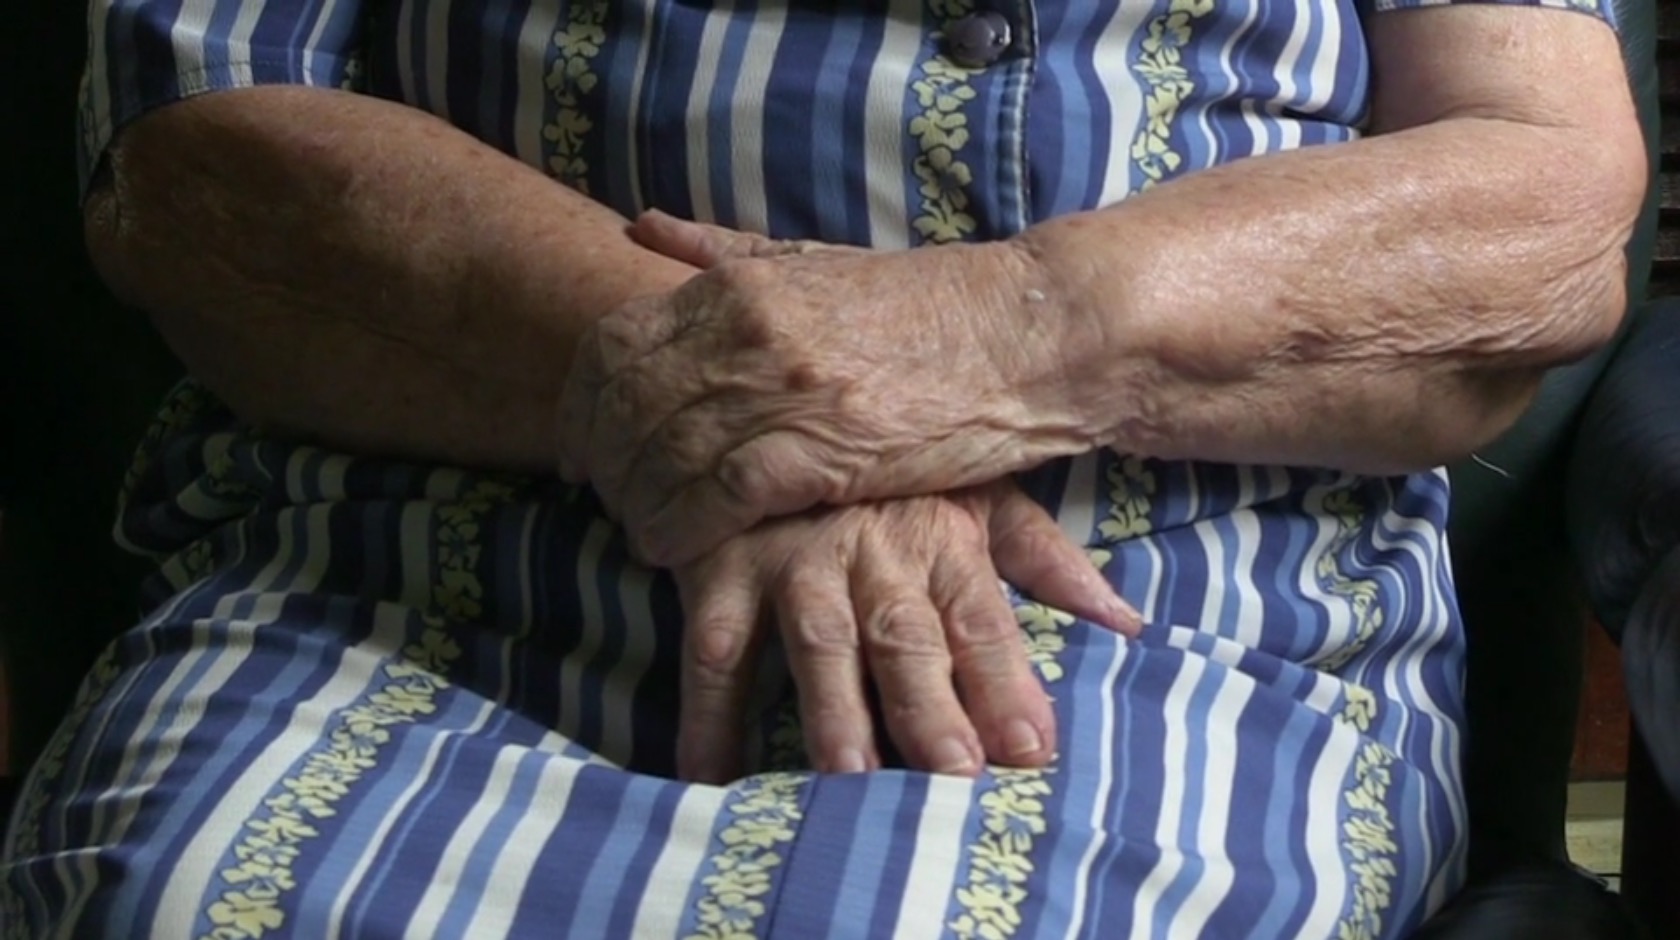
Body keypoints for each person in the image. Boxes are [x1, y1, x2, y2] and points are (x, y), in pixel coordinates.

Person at [0, 0, 1642, 934]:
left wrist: (966, 344)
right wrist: (708, 390)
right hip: (422, 548)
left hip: (1146, 577)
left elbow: (1540, 213)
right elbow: (196, 155)